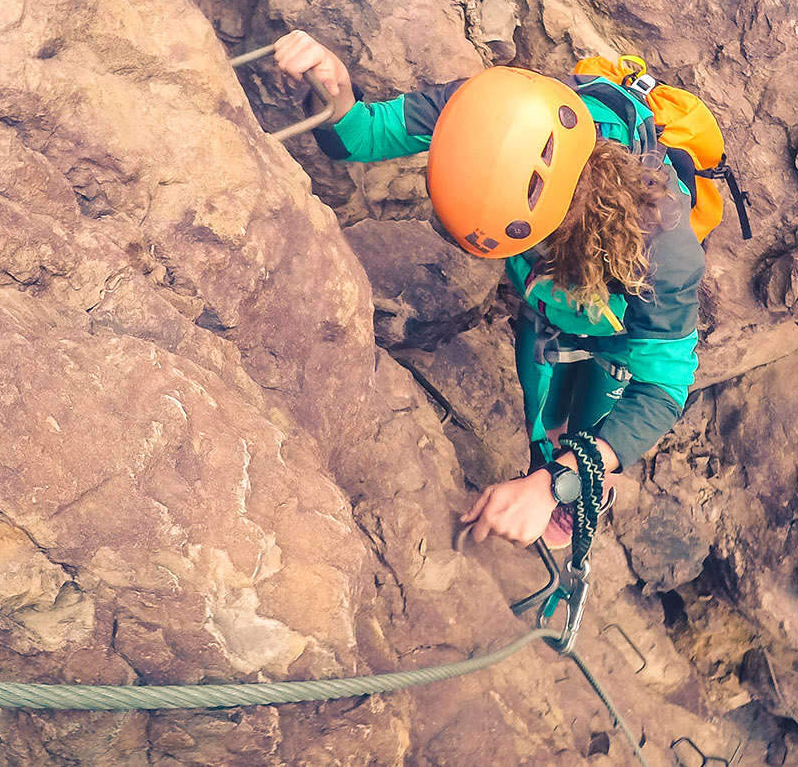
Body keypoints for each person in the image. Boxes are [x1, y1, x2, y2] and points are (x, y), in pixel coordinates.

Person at [272, 30, 705, 560]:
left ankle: (583, 497)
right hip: (547, 305)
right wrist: (332, 84)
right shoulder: (492, 112)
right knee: (545, 416)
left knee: (597, 426)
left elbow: (661, 391)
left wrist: (557, 485)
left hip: (620, 326)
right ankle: (550, 474)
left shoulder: (664, 253)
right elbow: (360, 135)